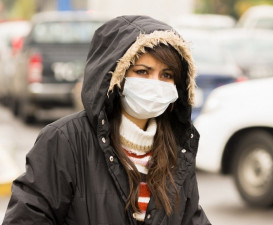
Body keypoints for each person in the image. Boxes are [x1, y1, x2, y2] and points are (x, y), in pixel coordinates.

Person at [2, 15, 211, 225]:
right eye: (142, 72)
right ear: (116, 76)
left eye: (166, 75)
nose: (155, 84)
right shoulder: (64, 141)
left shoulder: (178, 150)